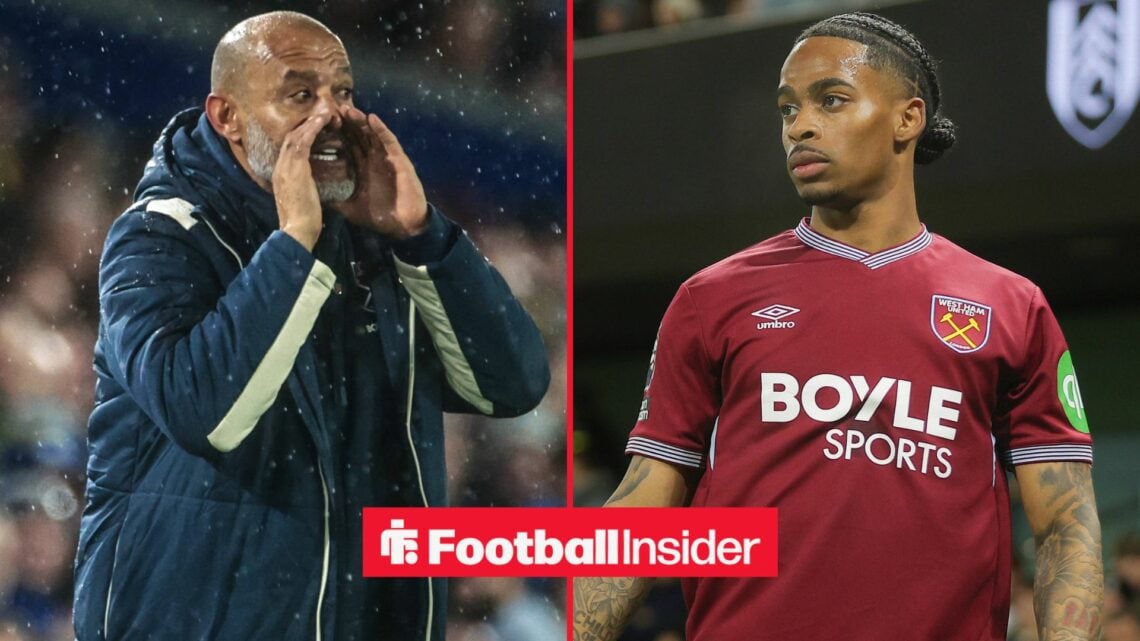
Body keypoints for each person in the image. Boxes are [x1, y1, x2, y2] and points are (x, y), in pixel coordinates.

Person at [573, 12, 1102, 641]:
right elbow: (639, 509)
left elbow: (1065, 526)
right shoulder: (711, 299)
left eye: (831, 99)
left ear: (909, 118)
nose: (800, 124)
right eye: (787, 108)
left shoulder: (1011, 306)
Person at [74, 11, 550, 641]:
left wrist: (423, 237)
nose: (332, 116)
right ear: (228, 118)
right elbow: (208, 412)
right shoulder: (159, 235)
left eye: (343, 93)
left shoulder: (376, 241)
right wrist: (295, 245)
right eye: (301, 95)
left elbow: (512, 384)